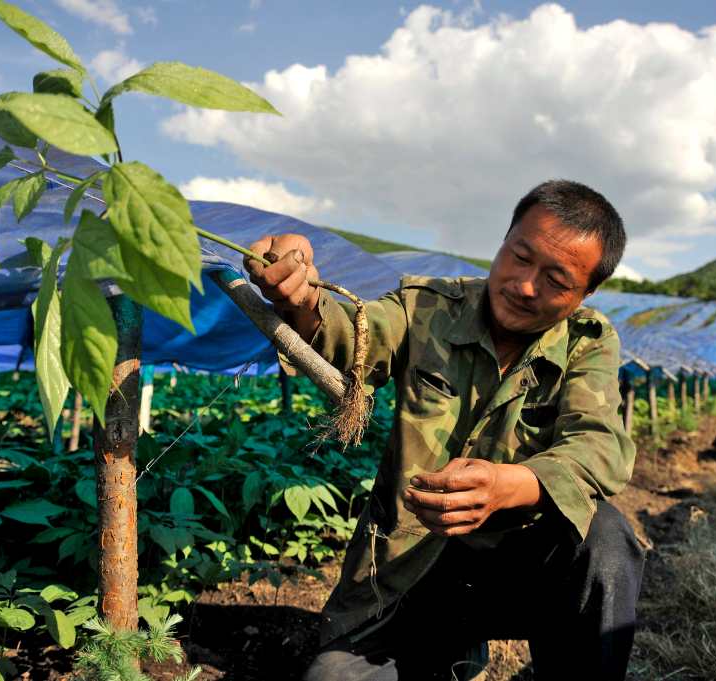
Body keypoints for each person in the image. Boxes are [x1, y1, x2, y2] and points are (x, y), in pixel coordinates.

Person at [245, 180, 644, 681]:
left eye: (556, 280)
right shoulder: (428, 308)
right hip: (406, 573)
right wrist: (301, 298)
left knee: (605, 537)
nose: (524, 286)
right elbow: (350, 335)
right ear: (503, 241)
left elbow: (600, 445)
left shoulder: (586, 343)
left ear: (586, 293)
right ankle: (444, 650)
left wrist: (508, 487)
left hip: (513, 574)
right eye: (519, 257)